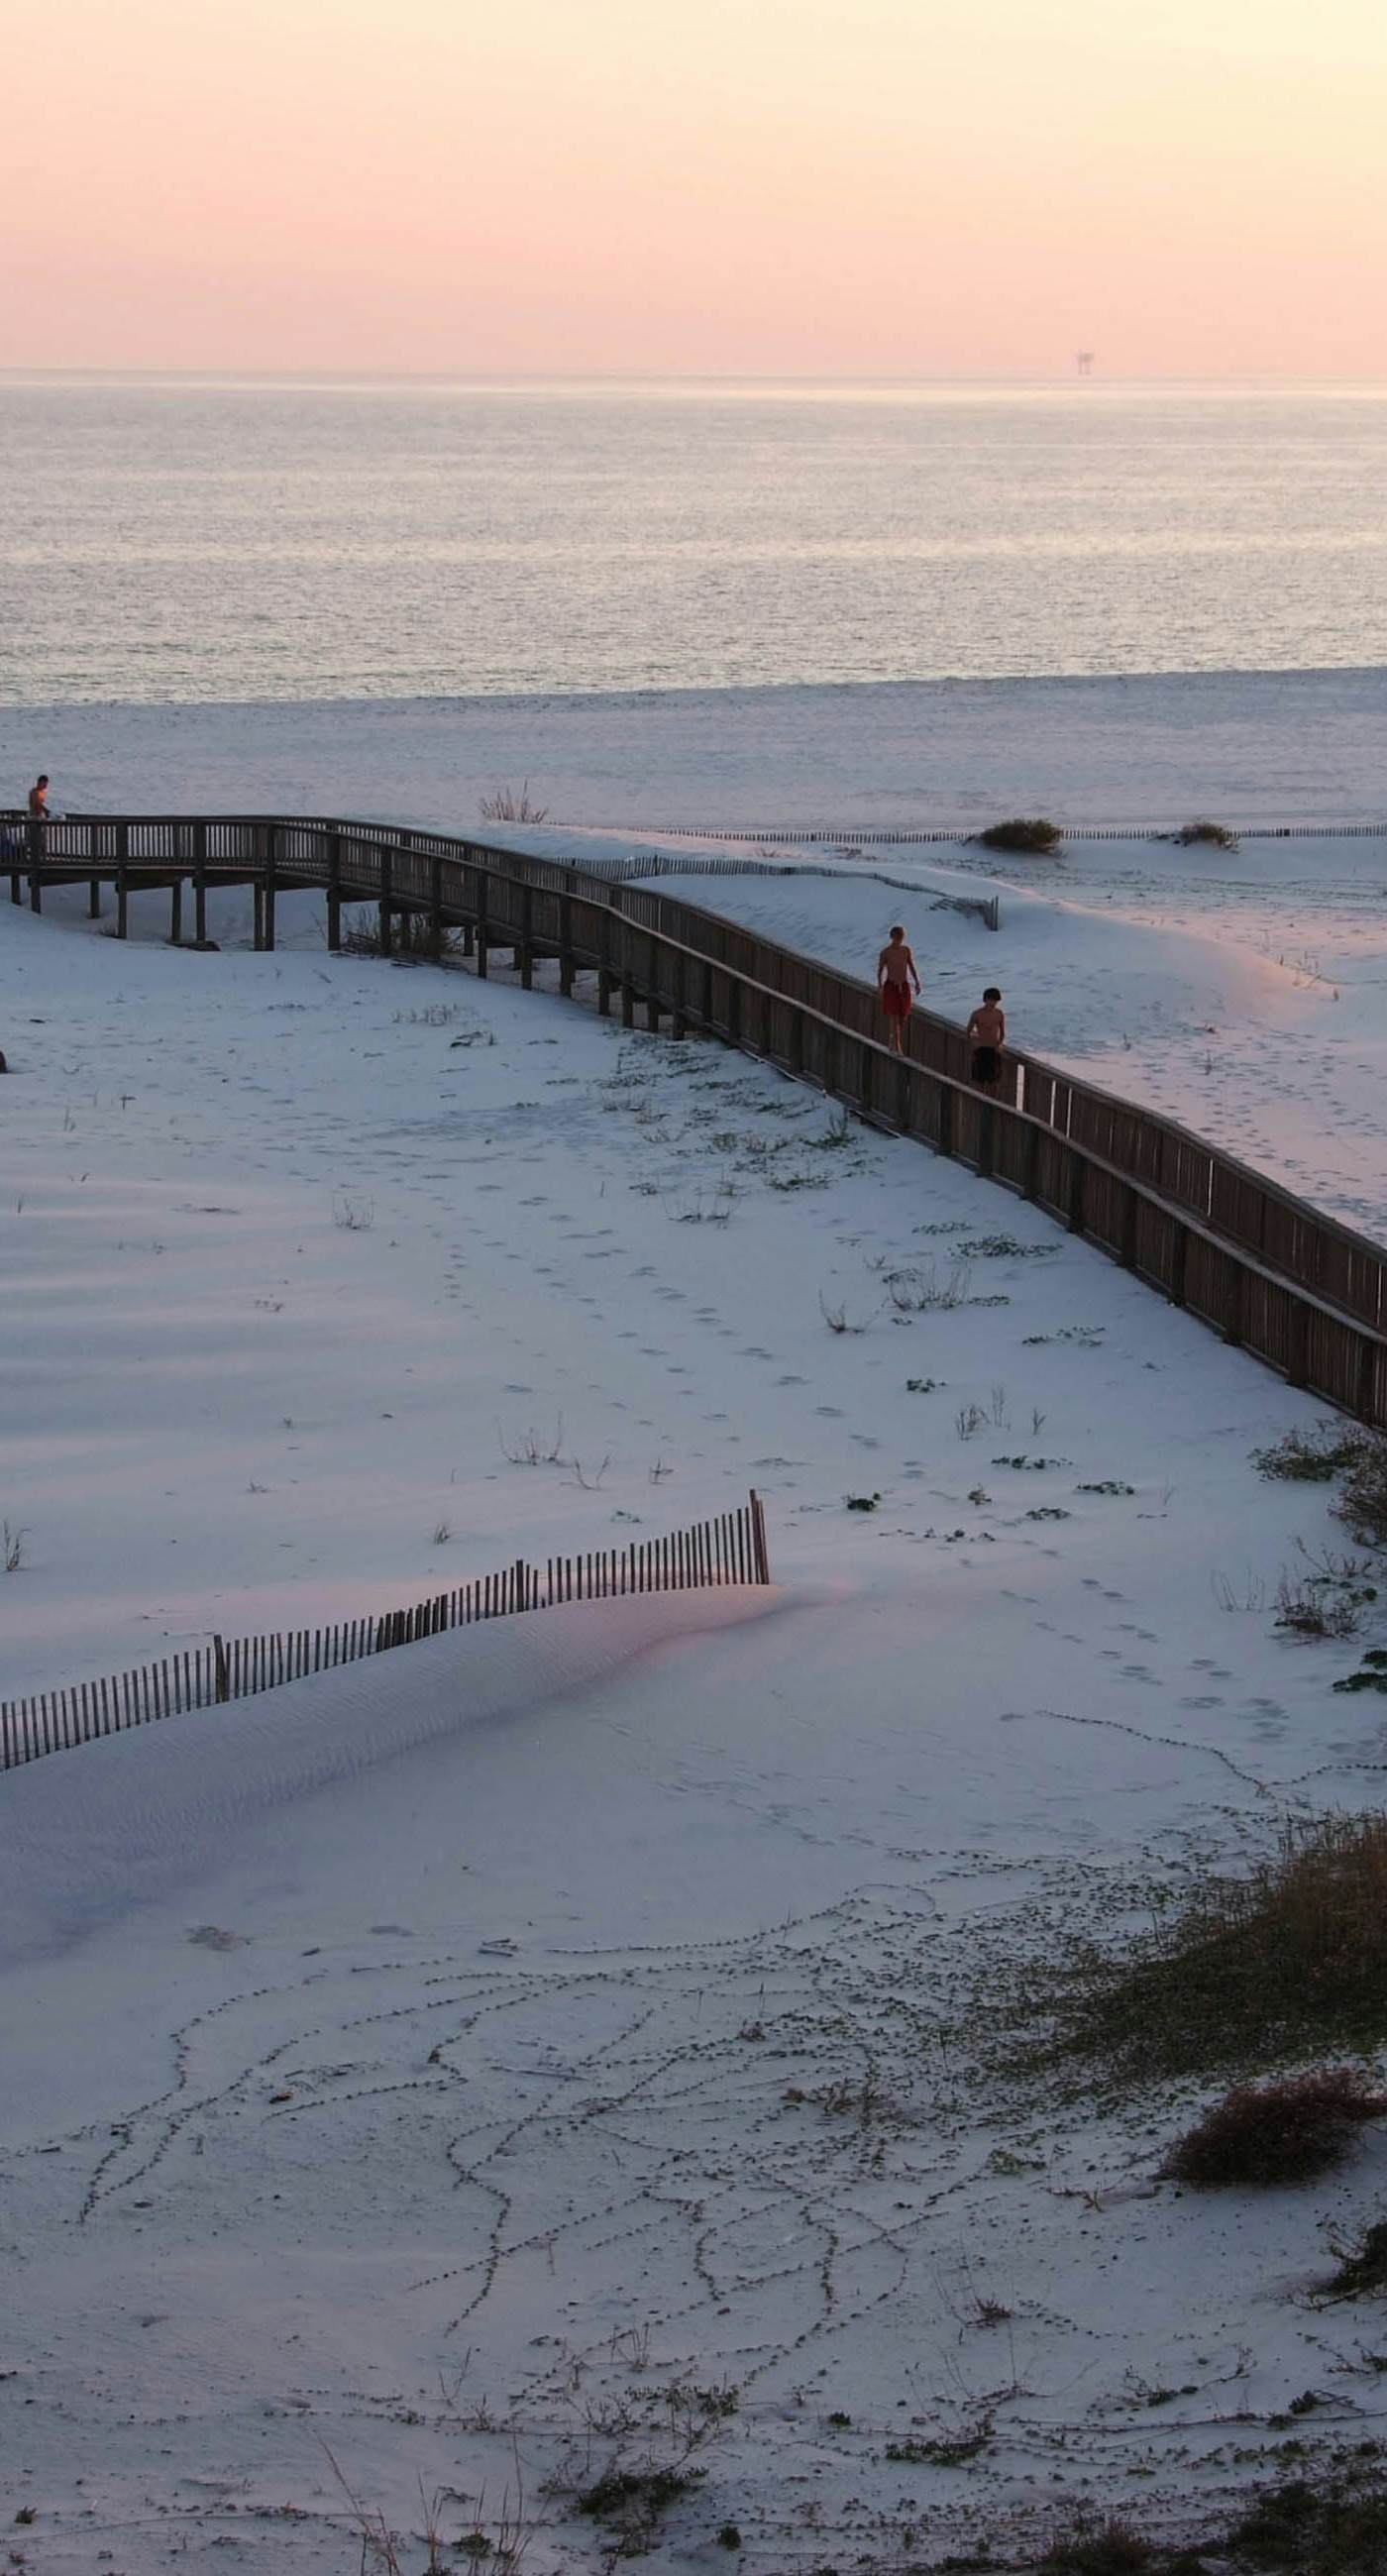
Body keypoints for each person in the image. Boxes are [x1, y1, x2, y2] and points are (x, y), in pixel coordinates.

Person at [877, 925, 920, 1054]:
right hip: (891, 985)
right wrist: (879, 985)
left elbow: (911, 966)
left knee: (903, 1015)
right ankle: (897, 1046)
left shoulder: (906, 950)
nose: (899, 940)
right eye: (897, 937)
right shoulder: (886, 952)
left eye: (901, 938)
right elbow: (880, 970)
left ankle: (892, 1038)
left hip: (904, 985)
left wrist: (917, 982)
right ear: (892, 937)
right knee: (893, 1016)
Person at [967, 986, 1007, 1092]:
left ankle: (991, 1105)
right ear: (985, 1000)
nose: (993, 1003)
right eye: (991, 1000)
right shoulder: (977, 1014)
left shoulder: (999, 1014)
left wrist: (1000, 1044)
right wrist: (973, 1041)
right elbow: (968, 1031)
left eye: (995, 1001)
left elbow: (1002, 1032)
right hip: (981, 1048)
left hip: (994, 1049)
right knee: (979, 1080)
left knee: (994, 1081)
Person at [26, 774, 49, 864]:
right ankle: (34, 857)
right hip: (34, 816)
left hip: (41, 816)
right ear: (40, 782)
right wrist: (46, 810)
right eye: (45, 783)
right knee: (33, 837)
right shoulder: (34, 791)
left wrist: (45, 812)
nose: (46, 786)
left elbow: (42, 803)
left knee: (43, 838)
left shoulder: (44, 791)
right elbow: (37, 803)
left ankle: (43, 857)